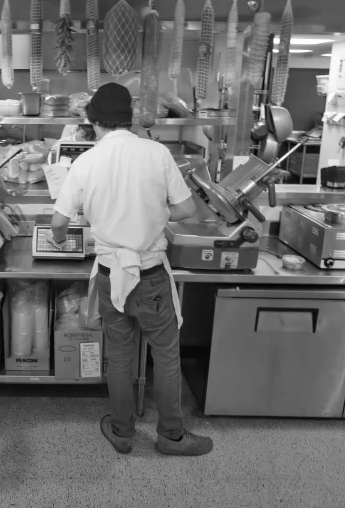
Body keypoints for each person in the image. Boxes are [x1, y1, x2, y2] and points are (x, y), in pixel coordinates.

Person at [48, 84, 213, 456]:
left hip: (110, 274)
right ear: (131, 119)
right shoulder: (157, 153)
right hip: (150, 272)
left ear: (93, 121)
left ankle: (122, 433)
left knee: (119, 356)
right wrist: (153, 215)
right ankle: (171, 437)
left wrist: (60, 240)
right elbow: (188, 211)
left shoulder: (85, 161)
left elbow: (59, 221)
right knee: (166, 355)